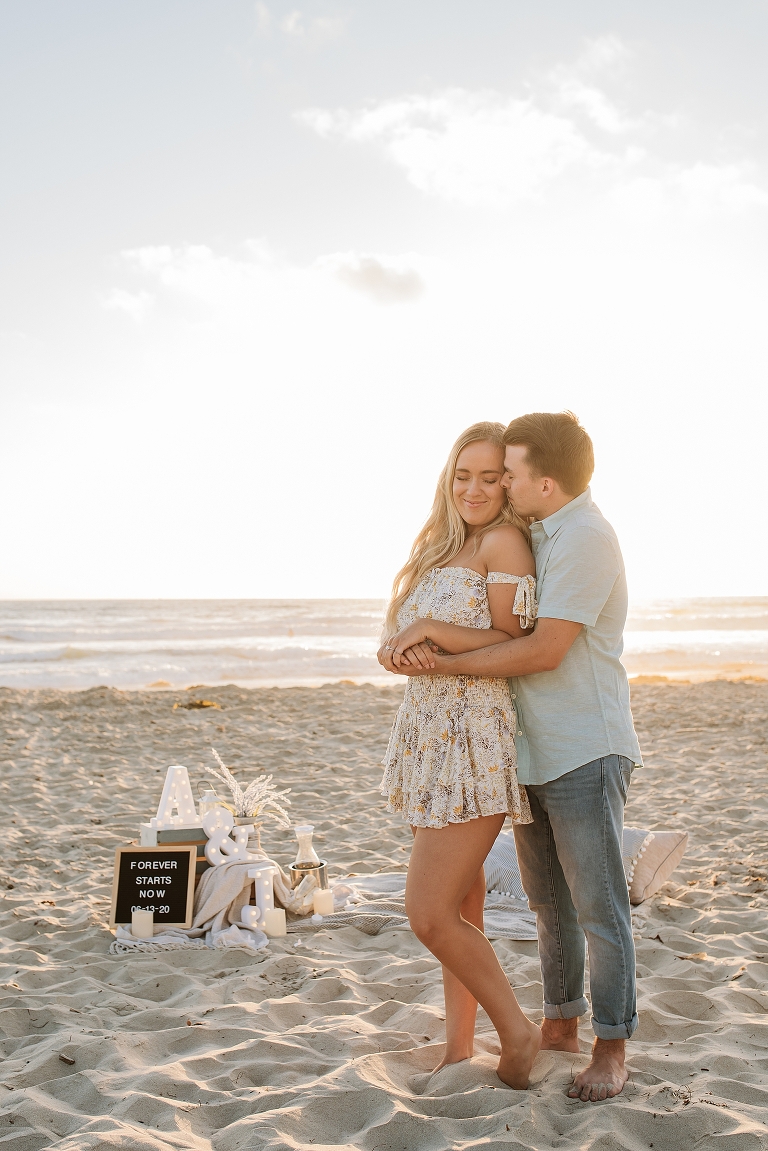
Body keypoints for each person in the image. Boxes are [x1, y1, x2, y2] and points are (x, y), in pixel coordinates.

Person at [379, 411, 642, 1103]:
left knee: (596, 904)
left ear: (536, 480)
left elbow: (536, 645)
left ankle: (608, 1044)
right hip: (521, 745)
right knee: (546, 903)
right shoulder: (530, 532)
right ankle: (549, 1028)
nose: (492, 485)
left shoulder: (577, 536)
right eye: (468, 474)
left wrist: (433, 652)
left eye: (504, 474)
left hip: (578, 741)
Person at [379, 421, 541, 1089]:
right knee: (463, 904)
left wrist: (430, 634)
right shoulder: (443, 544)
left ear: (509, 481)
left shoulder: (505, 541)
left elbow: (513, 634)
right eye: (462, 474)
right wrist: (400, 649)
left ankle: (519, 1029)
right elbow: (406, 638)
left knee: (429, 912)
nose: (473, 488)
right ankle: (457, 1047)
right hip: (425, 736)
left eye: (489, 475)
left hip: (472, 739)